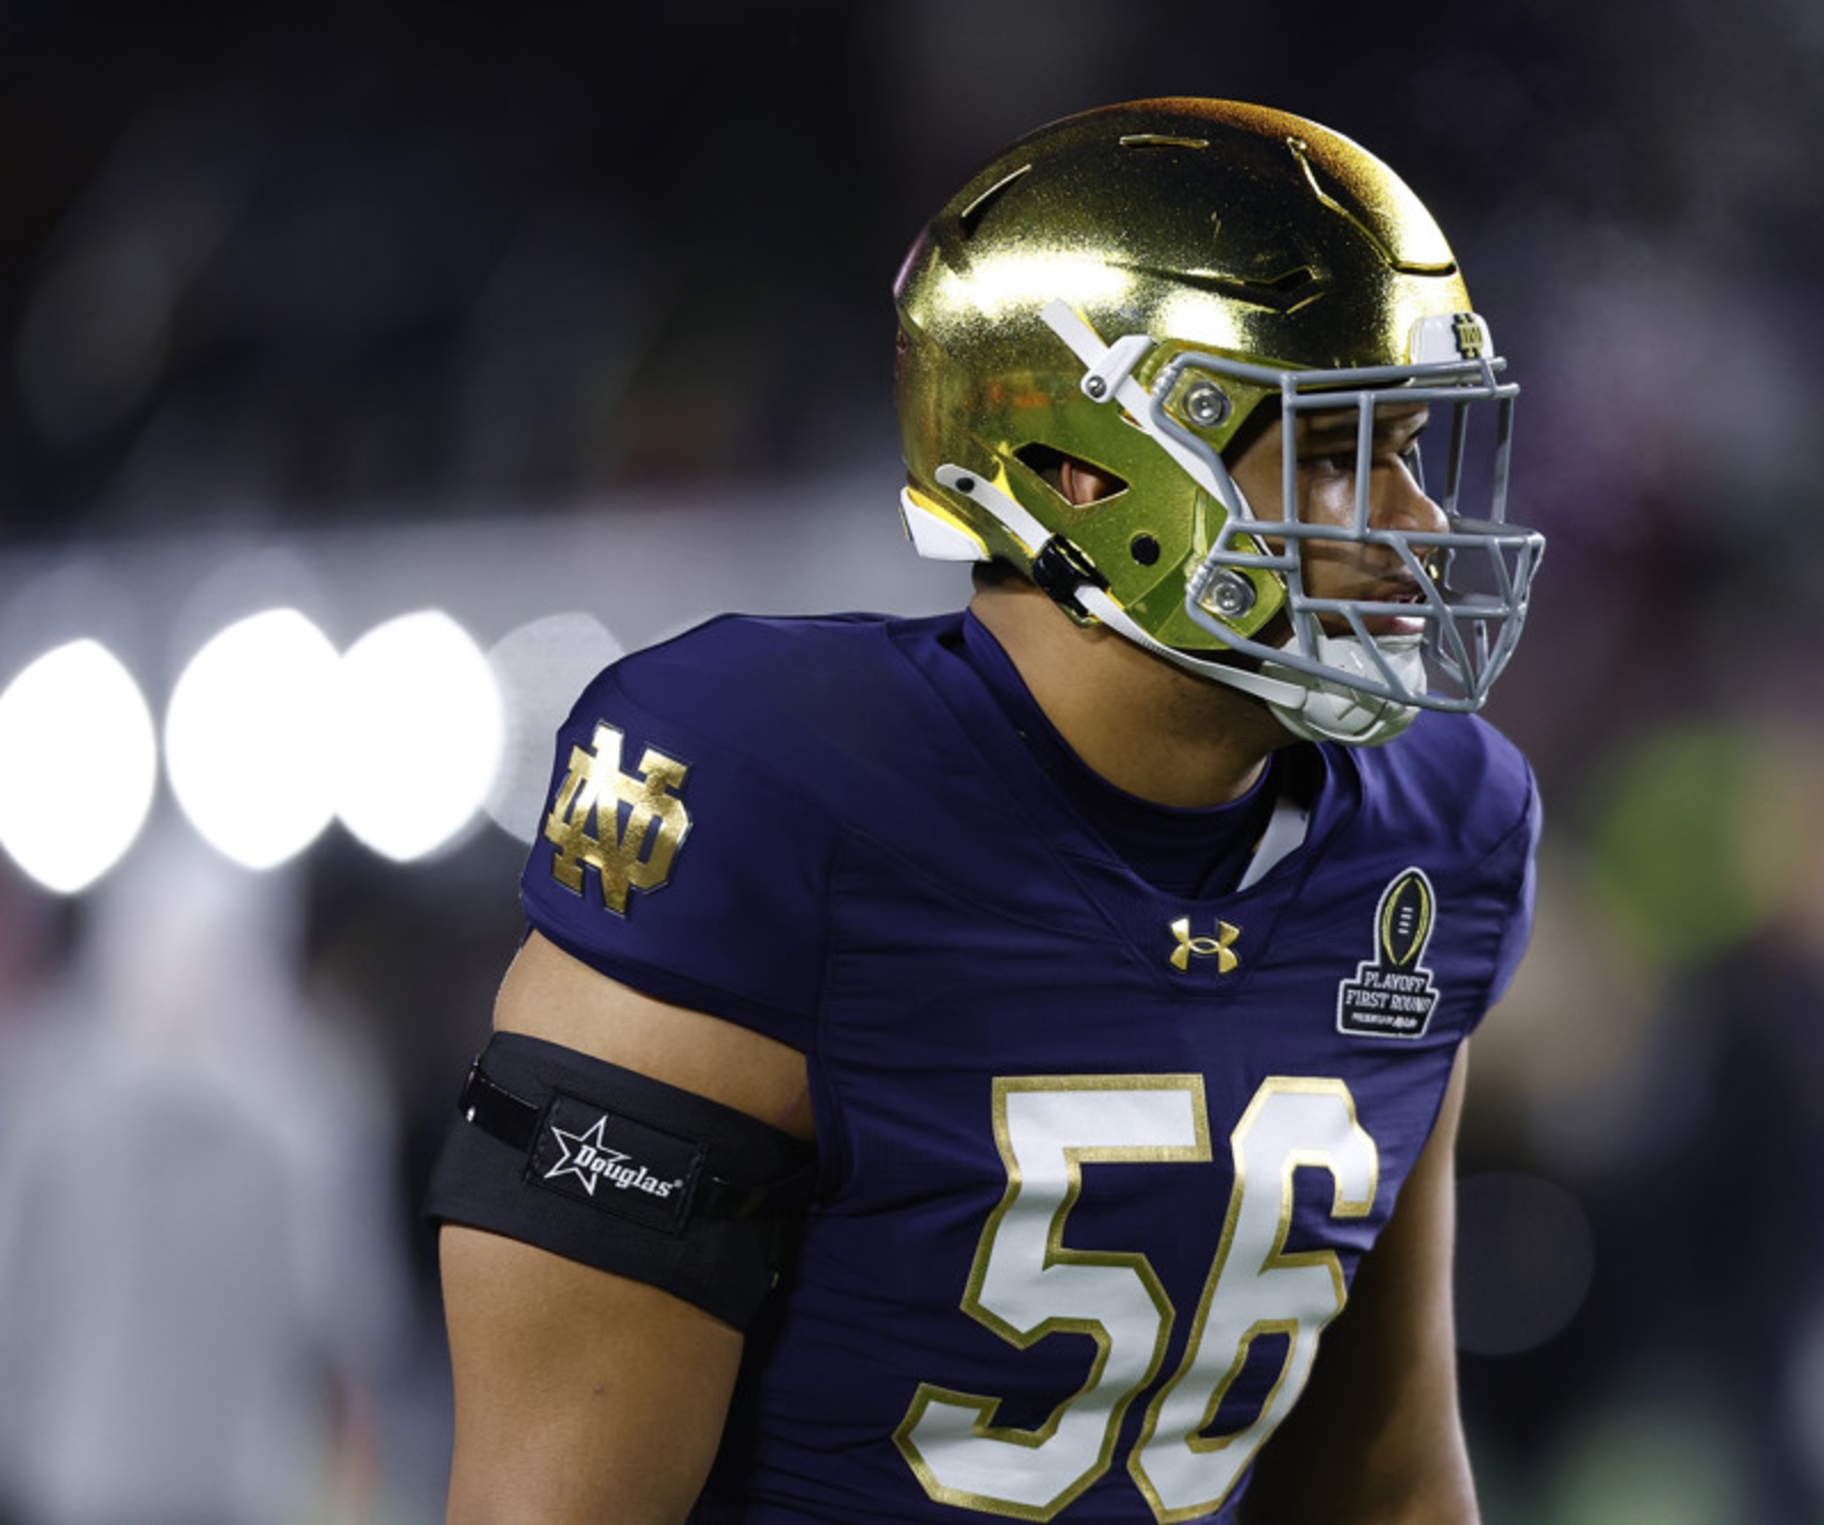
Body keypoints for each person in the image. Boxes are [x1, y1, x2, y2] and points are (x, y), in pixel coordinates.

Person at [427, 96, 1546, 1523]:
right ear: (1091, 472)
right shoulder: (780, 795)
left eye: (1411, 450)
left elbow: (1385, 1478)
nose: (1420, 526)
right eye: (1336, 455)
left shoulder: (1436, 833)